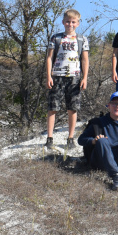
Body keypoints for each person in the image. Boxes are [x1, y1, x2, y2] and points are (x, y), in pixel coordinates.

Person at [44, 9, 90, 149]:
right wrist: (48, 76)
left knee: (73, 108)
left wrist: (85, 78)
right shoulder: (56, 38)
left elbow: (85, 59)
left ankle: (70, 138)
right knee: (53, 108)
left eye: (73, 22)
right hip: (57, 76)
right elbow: (49, 57)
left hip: (74, 77)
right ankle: (49, 138)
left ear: (78, 23)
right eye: (68, 22)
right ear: (63, 22)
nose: (70, 24)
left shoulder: (82, 39)